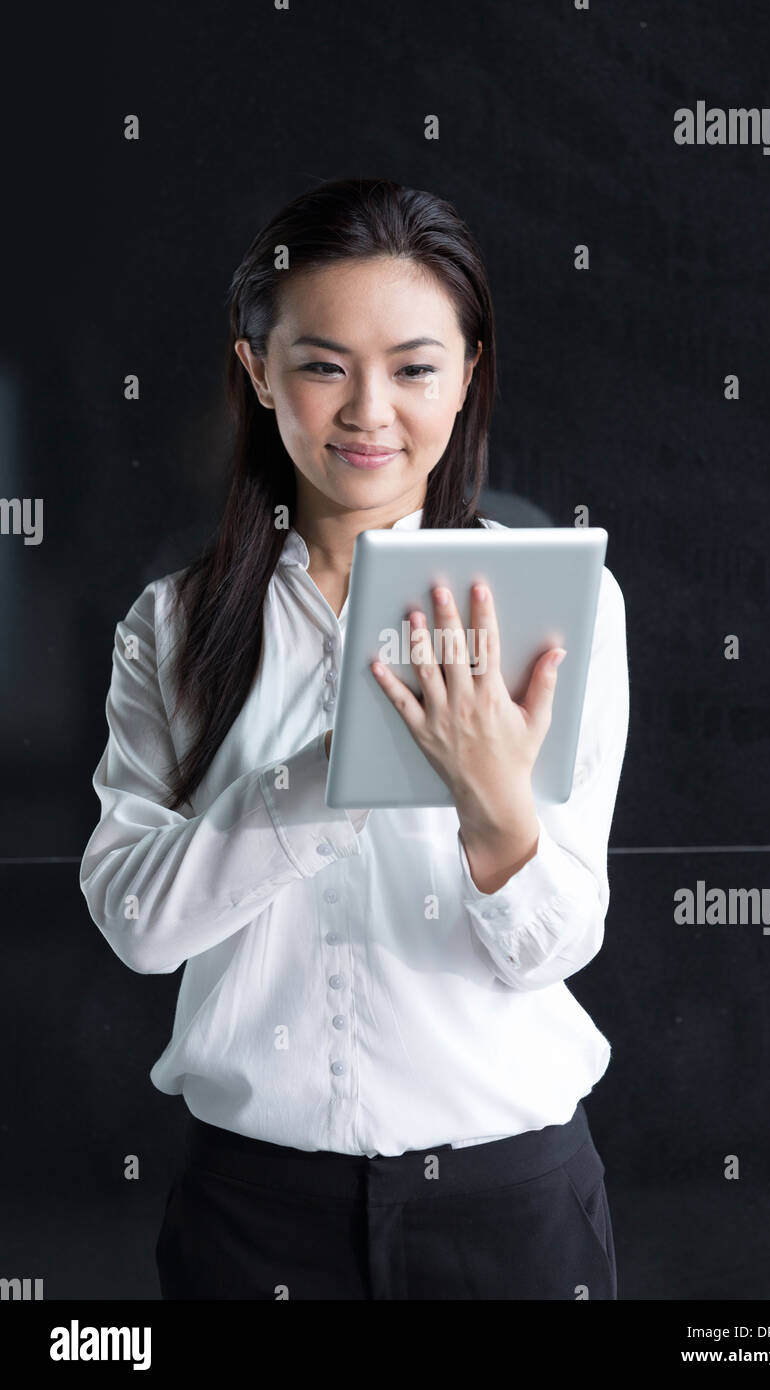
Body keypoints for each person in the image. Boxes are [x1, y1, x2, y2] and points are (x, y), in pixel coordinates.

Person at [79, 176, 630, 1301]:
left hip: (508, 1211)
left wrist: (493, 808)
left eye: (414, 367)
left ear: (467, 372)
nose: (368, 410)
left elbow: (554, 944)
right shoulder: (174, 627)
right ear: (257, 373)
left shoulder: (559, 608)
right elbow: (139, 925)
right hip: (252, 1221)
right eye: (323, 364)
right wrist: (337, 769)